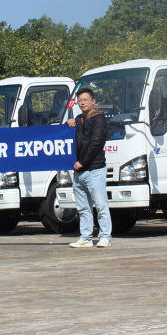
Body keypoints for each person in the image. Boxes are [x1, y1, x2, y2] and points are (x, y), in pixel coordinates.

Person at [67, 87, 112, 248]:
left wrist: (82, 162)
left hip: (94, 169)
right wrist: (69, 124)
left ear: (93, 101)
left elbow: (96, 143)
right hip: (79, 172)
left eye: (85, 100)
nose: (82, 103)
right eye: (80, 101)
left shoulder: (99, 119)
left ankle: (105, 236)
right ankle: (85, 237)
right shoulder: (79, 119)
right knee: (83, 208)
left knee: (100, 205)